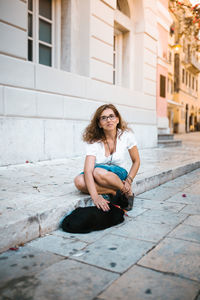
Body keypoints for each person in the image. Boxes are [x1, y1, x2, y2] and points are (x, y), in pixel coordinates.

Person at [74, 104, 140, 212]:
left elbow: (136, 161)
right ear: (99, 124)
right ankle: (114, 192)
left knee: (97, 172)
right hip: (98, 172)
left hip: (118, 174)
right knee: (79, 181)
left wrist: (129, 180)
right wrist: (95, 196)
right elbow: (88, 170)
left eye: (111, 116)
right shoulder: (94, 141)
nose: (108, 120)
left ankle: (127, 192)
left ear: (117, 119)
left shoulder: (126, 135)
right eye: (103, 118)